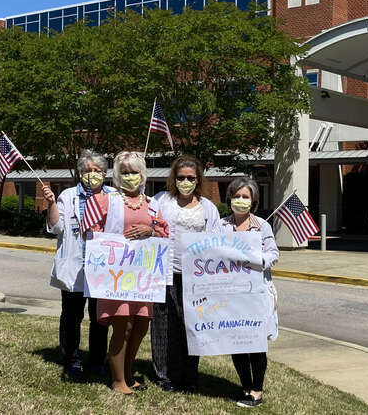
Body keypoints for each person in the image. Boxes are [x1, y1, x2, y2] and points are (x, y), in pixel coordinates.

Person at [93, 151, 168, 395]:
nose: (130, 177)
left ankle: (128, 373)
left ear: (143, 175)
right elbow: (92, 231)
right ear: (116, 176)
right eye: (124, 173)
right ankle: (117, 381)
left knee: (140, 327)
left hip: (143, 279)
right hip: (116, 277)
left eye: (134, 172)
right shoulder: (107, 201)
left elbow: (165, 235)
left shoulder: (152, 205)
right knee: (122, 327)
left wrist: (151, 230)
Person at [150, 155, 221, 393]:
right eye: (181, 177)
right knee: (163, 326)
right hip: (165, 272)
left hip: (195, 278)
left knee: (191, 326)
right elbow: (148, 224)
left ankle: (189, 376)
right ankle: (165, 375)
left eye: (191, 178)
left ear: (198, 180)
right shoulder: (161, 201)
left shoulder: (208, 208)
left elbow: (217, 242)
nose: (186, 182)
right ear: (174, 179)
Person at [43, 149, 114, 381]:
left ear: (105, 173)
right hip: (74, 267)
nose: (92, 174)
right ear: (80, 173)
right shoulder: (68, 195)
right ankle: (71, 361)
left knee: (99, 319)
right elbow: (56, 227)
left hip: (102, 269)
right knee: (71, 318)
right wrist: (52, 203)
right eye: (87, 171)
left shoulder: (114, 196)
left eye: (97, 171)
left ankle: (96, 363)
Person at [219, 178, 279, 408]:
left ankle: (257, 390)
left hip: (256, 293)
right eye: (236, 196)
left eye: (245, 197)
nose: (240, 201)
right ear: (229, 198)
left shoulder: (262, 226)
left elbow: (274, 254)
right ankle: (245, 386)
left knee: (255, 342)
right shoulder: (221, 226)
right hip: (230, 294)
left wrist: (257, 259)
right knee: (237, 342)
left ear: (253, 200)